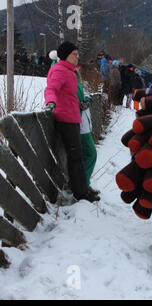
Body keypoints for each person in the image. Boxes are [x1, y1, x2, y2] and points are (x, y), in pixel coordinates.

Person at [44, 41, 99, 203]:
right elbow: (51, 89)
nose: (77, 57)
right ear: (65, 56)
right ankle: (81, 193)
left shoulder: (70, 71)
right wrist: (50, 102)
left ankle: (81, 189)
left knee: (76, 156)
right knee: (75, 156)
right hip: (66, 119)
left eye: (77, 54)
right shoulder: (60, 70)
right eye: (74, 54)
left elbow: (71, 95)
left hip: (74, 117)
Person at [76, 70, 100, 199]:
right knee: (91, 153)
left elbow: (84, 95)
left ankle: (83, 184)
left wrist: (87, 99)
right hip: (79, 126)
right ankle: (82, 185)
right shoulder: (68, 78)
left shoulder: (78, 82)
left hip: (83, 125)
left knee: (86, 155)